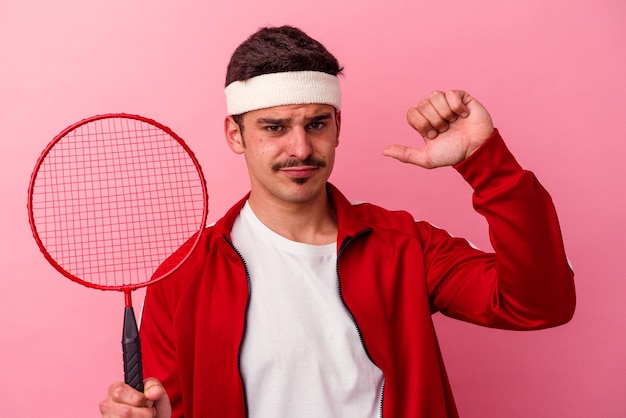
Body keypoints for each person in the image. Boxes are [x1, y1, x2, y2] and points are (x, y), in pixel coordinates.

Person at [99, 25, 575, 417]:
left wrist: (485, 162)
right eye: (274, 127)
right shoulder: (183, 275)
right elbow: (169, 408)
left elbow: (539, 304)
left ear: (337, 127)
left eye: (317, 124)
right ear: (235, 134)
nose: (301, 149)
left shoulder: (403, 244)